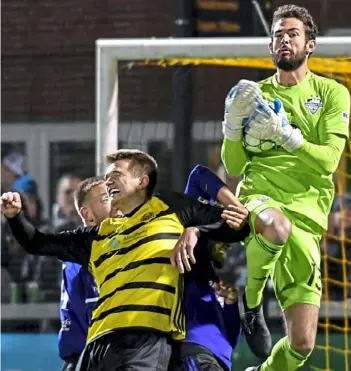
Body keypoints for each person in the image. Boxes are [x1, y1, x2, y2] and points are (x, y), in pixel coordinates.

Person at [1, 149, 249, 371]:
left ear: (142, 181)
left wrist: (196, 231)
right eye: (106, 178)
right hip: (97, 344)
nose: (108, 181)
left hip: (145, 341)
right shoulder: (96, 235)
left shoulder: (172, 208)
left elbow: (237, 227)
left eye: (116, 175)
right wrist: (15, 217)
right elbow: (37, 243)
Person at [221, 4, 350, 371]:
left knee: (302, 345)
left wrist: (286, 136)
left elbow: (328, 161)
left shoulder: (331, 94)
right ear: (270, 45)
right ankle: (251, 299)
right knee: (277, 228)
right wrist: (231, 128)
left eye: (293, 33)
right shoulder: (251, 95)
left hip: (308, 218)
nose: (284, 39)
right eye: (278, 34)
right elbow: (233, 166)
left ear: (310, 44)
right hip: (262, 199)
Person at [170, 164, 246, 371]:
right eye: (224, 239)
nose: (227, 245)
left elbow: (229, 338)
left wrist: (231, 306)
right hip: (193, 352)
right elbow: (198, 174)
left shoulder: (211, 277)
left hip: (218, 359)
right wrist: (239, 209)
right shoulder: (187, 249)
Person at [59, 177, 110, 370]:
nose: (117, 204)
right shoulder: (77, 262)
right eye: (107, 199)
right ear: (87, 215)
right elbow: (74, 331)